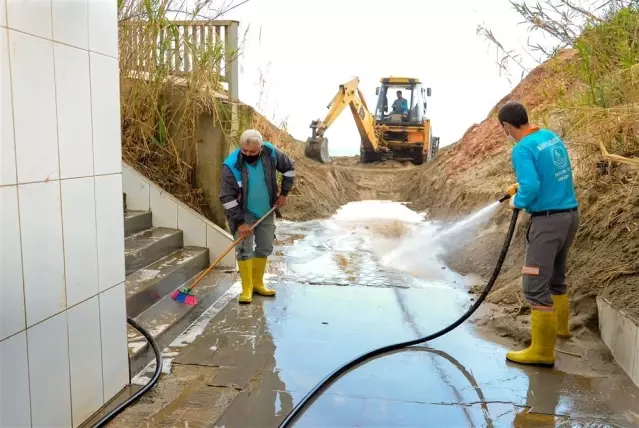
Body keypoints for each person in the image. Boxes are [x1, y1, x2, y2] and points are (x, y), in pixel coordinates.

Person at [498, 101, 579, 366]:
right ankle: (560, 330)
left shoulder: (522, 149)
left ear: (507, 126)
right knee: (557, 275)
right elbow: (550, 175)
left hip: (547, 221)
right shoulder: (548, 136)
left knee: (534, 285)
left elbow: (531, 188)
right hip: (569, 215)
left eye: (503, 129)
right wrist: (522, 187)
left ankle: (542, 352)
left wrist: (518, 201)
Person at [220, 129, 296, 304]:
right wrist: (240, 222)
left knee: (265, 246)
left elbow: (289, 168)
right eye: (244, 151)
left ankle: (257, 284)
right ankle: (246, 289)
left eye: (252, 152)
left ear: (261, 148)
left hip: (266, 211)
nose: (247, 154)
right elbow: (226, 197)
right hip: (242, 213)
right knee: (244, 250)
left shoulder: (270, 153)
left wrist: (284, 193)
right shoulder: (231, 165)